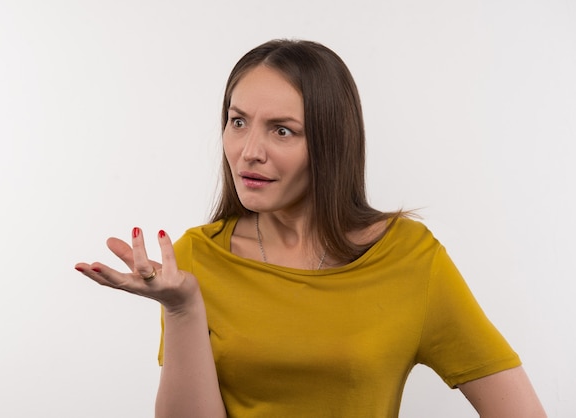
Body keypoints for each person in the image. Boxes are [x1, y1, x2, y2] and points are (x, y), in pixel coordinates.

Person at [75, 39, 546, 417]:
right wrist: (182, 309)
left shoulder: (410, 257)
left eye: (282, 130)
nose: (248, 151)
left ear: (331, 142)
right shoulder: (196, 257)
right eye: (238, 122)